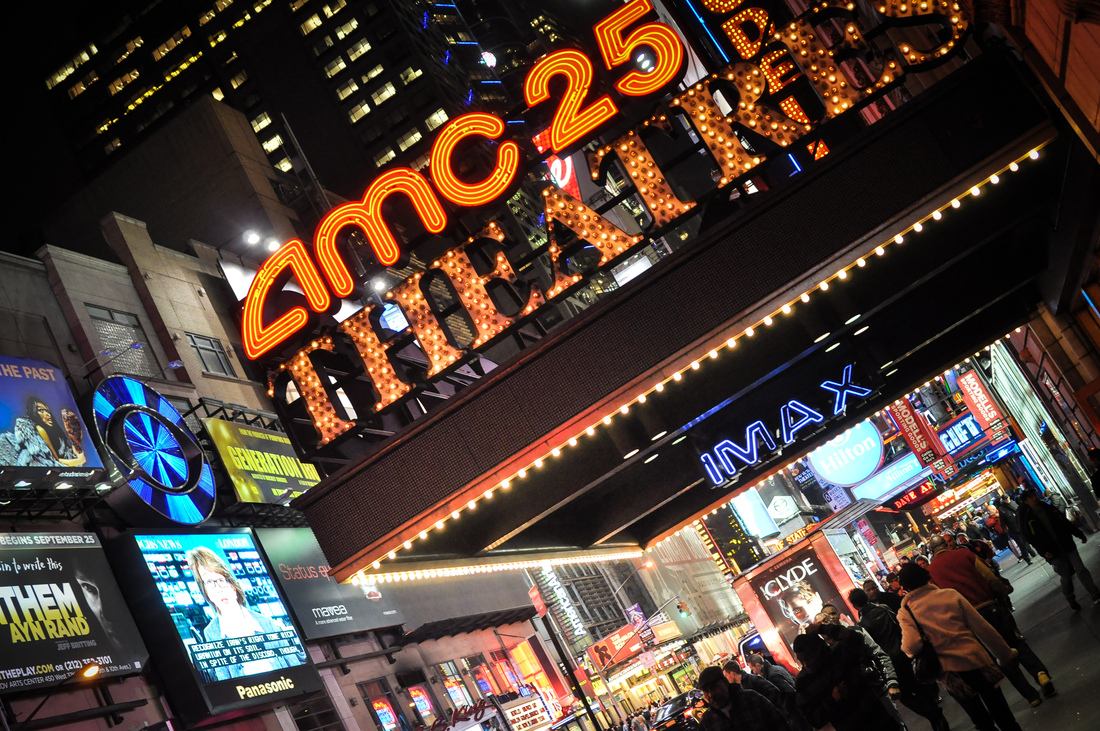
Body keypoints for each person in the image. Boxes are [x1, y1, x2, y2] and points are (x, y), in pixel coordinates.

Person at [926, 534, 1051, 705]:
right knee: (1015, 641)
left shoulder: (932, 572)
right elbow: (989, 576)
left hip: (970, 620)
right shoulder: (964, 554)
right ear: (945, 545)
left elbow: (940, 602)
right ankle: (1040, 674)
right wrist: (1002, 591)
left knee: (999, 656)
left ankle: (1031, 696)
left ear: (932, 551)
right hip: (991, 607)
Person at [897, 563, 1021, 731]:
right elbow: (982, 628)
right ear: (926, 577)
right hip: (975, 659)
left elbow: (911, 645)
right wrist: (1004, 654)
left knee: (980, 719)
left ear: (905, 587)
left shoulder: (906, 612)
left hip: (952, 673)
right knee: (1002, 712)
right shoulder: (950, 595)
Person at [187, 546, 302, 681]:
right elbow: (223, 677)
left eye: (220, 580)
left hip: (281, 683)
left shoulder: (267, 622)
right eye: (209, 583)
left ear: (233, 587)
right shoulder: (211, 632)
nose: (218, 589)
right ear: (206, 593)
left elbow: (295, 668)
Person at [848, 588, 949, 731]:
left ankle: (933, 715)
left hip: (891, 663)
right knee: (919, 686)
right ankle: (935, 716)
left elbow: (872, 649)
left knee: (905, 696)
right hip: (905, 653)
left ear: (855, 605)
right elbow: (900, 627)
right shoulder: (884, 609)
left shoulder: (862, 625)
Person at [792, 631, 901, 731]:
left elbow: (856, 637)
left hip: (877, 716)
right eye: (802, 660)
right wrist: (833, 699)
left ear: (819, 650)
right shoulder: (803, 682)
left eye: (809, 658)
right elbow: (813, 719)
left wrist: (823, 628)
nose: (806, 664)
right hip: (851, 726)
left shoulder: (839, 654)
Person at [1018, 486, 1100, 609]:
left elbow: (1064, 523)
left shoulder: (1048, 508)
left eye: (1034, 495)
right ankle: (1070, 597)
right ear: (1026, 501)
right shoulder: (1027, 518)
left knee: (1081, 569)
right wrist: (1044, 552)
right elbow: (1031, 539)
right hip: (1053, 552)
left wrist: (1079, 534)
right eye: (1030, 497)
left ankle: (1095, 594)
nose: (1034, 498)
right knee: (1066, 576)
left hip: (1066, 544)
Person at [696, 665, 790, 731]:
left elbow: (779, 723)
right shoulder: (708, 722)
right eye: (705, 691)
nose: (711, 694)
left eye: (714, 687)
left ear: (725, 683)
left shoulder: (751, 699)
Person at [991, 497, 1032, 565]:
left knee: (1024, 542)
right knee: (1022, 544)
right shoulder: (1002, 509)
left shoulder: (1009, 505)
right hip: (1013, 530)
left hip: (1018, 527)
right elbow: (1003, 522)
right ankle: (1027, 558)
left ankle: (1031, 554)